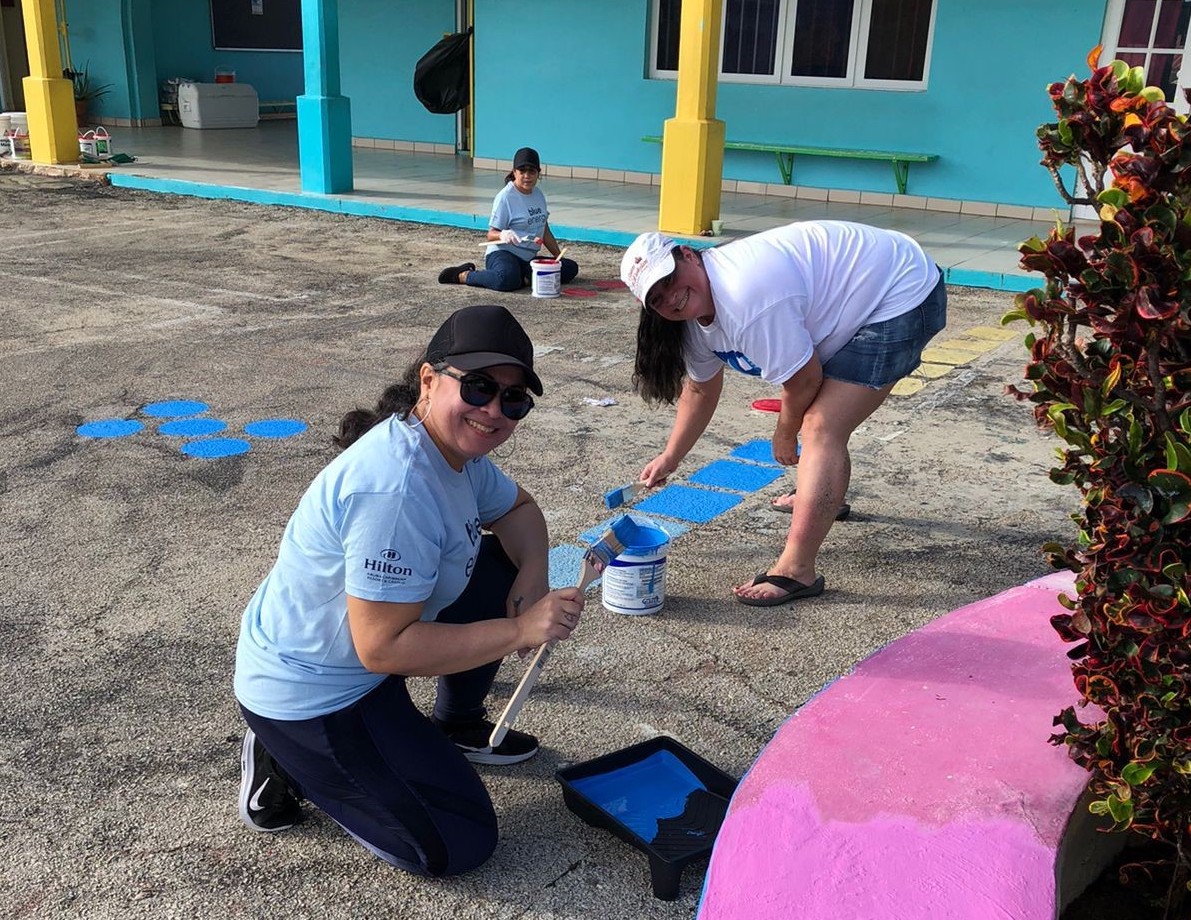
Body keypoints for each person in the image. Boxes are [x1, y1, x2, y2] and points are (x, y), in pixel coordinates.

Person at [233, 303, 586, 876]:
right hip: (315, 691)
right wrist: (521, 628)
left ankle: (456, 722)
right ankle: (285, 757)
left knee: (498, 561)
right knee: (457, 843)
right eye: (477, 387)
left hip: (365, 663)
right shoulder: (394, 489)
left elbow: (519, 510)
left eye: (513, 399)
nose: (494, 410)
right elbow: (384, 648)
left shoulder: (454, 451)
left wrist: (532, 577)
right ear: (428, 378)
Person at [620, 220, 947, 607]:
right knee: (823, 421)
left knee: (820, 427)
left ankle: (797, 570)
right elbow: (700, 388)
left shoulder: (745, 296)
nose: (670, 298)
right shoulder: (691, 320)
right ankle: (820, 494)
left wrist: (783, 434)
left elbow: (805, 381)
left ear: (689, 255)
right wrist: (670, 456)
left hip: (900, 291)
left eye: (670, 280)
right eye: (656, 298)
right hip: (863, 286)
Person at [438, 146, 579, 290]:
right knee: (505, 280)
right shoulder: (505, 197)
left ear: (538, 174)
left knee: (569, 267)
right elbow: (490, 234)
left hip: (527, 258)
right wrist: (503, 234)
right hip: (503, 254)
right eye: (522, 171)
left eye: (532, 171)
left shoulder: (538, 195)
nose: (527, 176)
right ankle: (464, 275)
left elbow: (544, 229)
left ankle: (522, 278)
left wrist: (557, 257)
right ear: (514, 172)